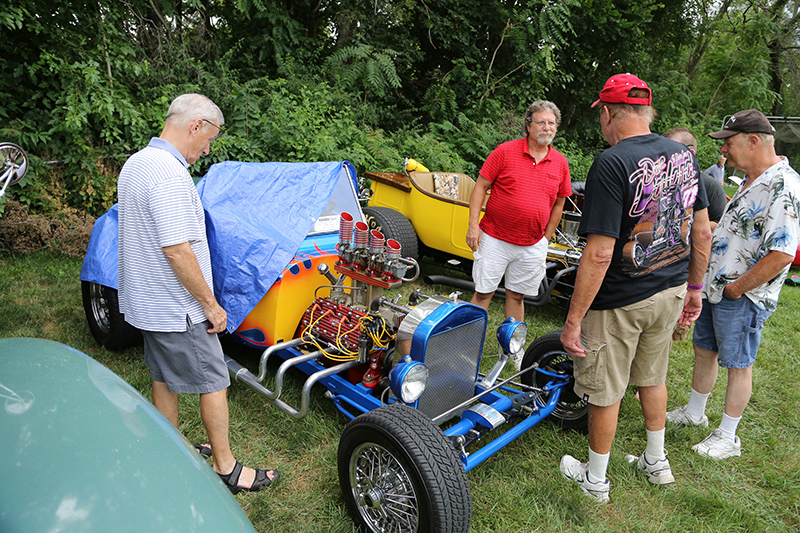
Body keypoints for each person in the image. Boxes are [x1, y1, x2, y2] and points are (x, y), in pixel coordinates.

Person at [558, 74, 712, 502]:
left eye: (600, 117)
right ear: (648, 113)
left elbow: (600, 253)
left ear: (607, 114)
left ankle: (595, 480)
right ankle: (656, 461)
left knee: (606, 388)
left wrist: (572, 322)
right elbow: (701, 233)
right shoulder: (684, 155)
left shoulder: (612, 162)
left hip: (622, 299)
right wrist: (695, 289)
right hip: (671, 289)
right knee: (652, 376)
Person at [117, 93, 279, 493]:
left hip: (147, 301)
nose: (207, 150)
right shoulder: (170, 176)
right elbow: (176, 249)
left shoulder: (136, 163)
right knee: (214, 382)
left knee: (164, 377)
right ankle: (227, 469)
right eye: (209, 140)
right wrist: (211, 305)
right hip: (178, 308)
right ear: (195, 126)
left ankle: (168, 449)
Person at [666, 109, 800, 459]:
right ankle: (695, 412)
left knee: (739, 363)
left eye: (729, 143)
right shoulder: (753, 178)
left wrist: (737, 288)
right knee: (705, 350)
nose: (723, 151)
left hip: (742, 294)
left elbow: (782, 252)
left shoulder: (783, 185)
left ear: (753, 141)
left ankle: (728, 436)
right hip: (717, 287)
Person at [466, 100, 572, 327]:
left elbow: (559, 204)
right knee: (483, 293)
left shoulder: (561, 163)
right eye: (541, 122)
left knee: (517, 296)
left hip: (533, 244)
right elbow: (480, 187)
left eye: (552, 123)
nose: (547, 127)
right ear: (528, 126)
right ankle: (468, 343)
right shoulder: (504, 152)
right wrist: (473, 225)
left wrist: (546, 237)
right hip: (495, 238)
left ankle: (513, 349)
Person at [664, 127, 728, 230]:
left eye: (670, 150)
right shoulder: (659, 181)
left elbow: (720, 224)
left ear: (690, 153)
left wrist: (681, 225)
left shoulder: (711, 186)